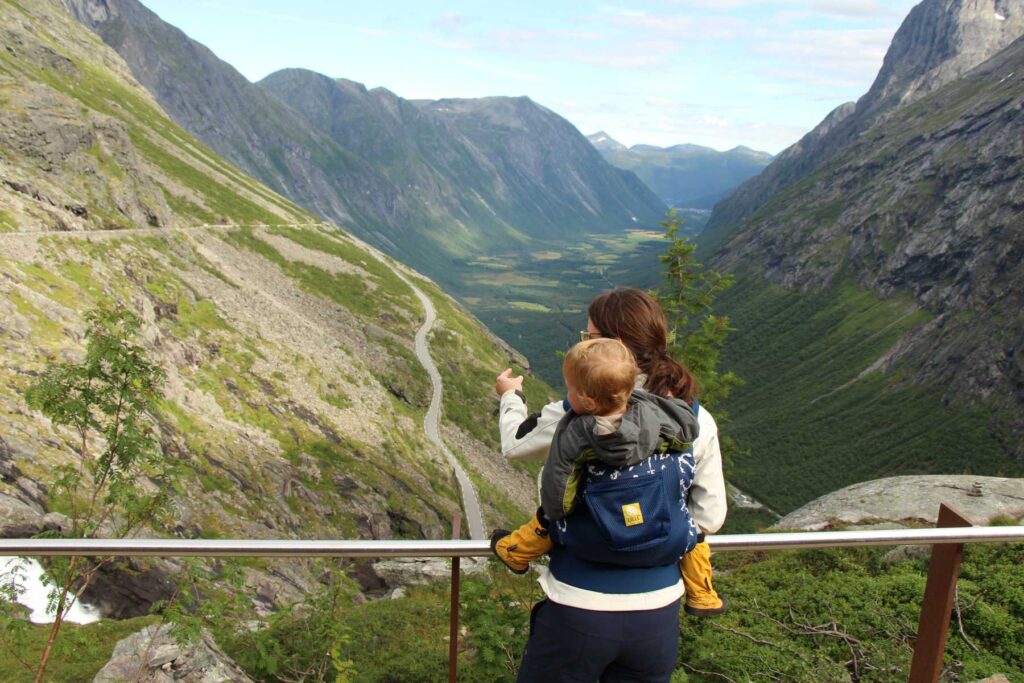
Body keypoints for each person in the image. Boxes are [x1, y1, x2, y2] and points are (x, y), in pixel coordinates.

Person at [495, 288, 728, 682]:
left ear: (614, 344)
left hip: (578, 607)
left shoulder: (576, 414)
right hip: (658, 614)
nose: (582, 343)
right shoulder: (693, 417)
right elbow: (710, 515)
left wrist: (512, 397)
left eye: (588, 337)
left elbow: (515, 443)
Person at [490, 337, 700, 576]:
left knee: (549, 516)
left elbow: (559, 499)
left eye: (570, 388)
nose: (567, 393)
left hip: (601, 541)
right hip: (661, 533)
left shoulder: (575, 434)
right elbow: (686, 433)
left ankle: (517, 551)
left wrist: (553, 513)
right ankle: (701, 590)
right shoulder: (654, 411)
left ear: (588, 401)